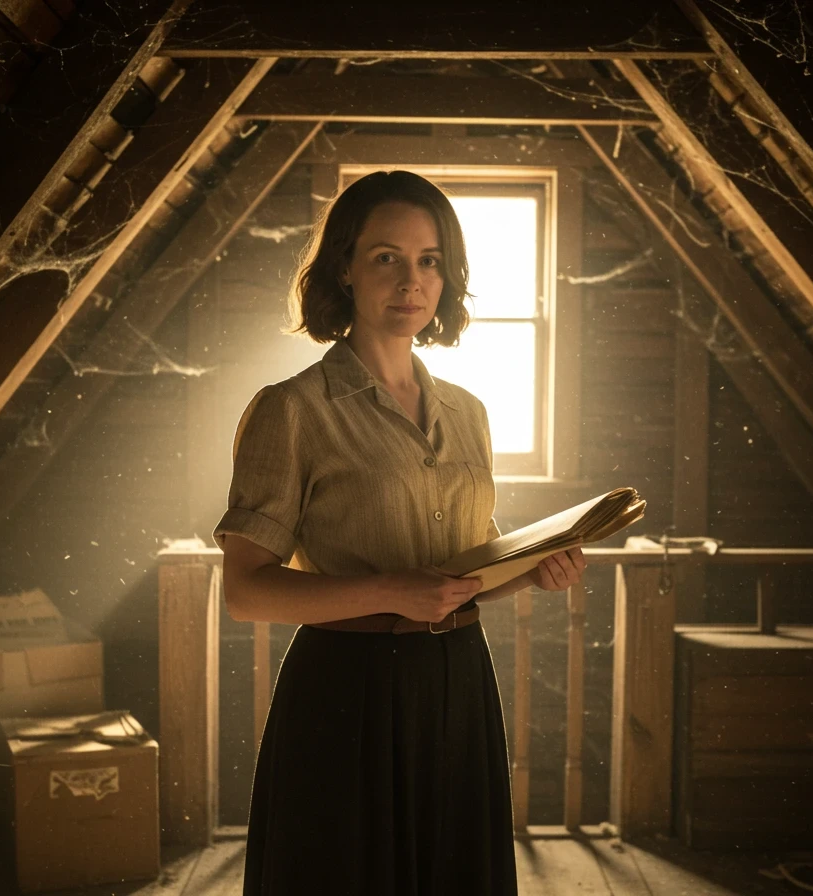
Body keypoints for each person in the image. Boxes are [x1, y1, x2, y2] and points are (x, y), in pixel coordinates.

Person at [213, 170, 587, 895]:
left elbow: (462, 578)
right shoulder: (291, 410)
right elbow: (245, 593)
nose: (410, 280)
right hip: (346, 695)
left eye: (429, 260)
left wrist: (534, 566)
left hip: (458, 690)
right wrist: (392, 592)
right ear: (344, 268)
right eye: (386, 256)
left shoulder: (470, 412)